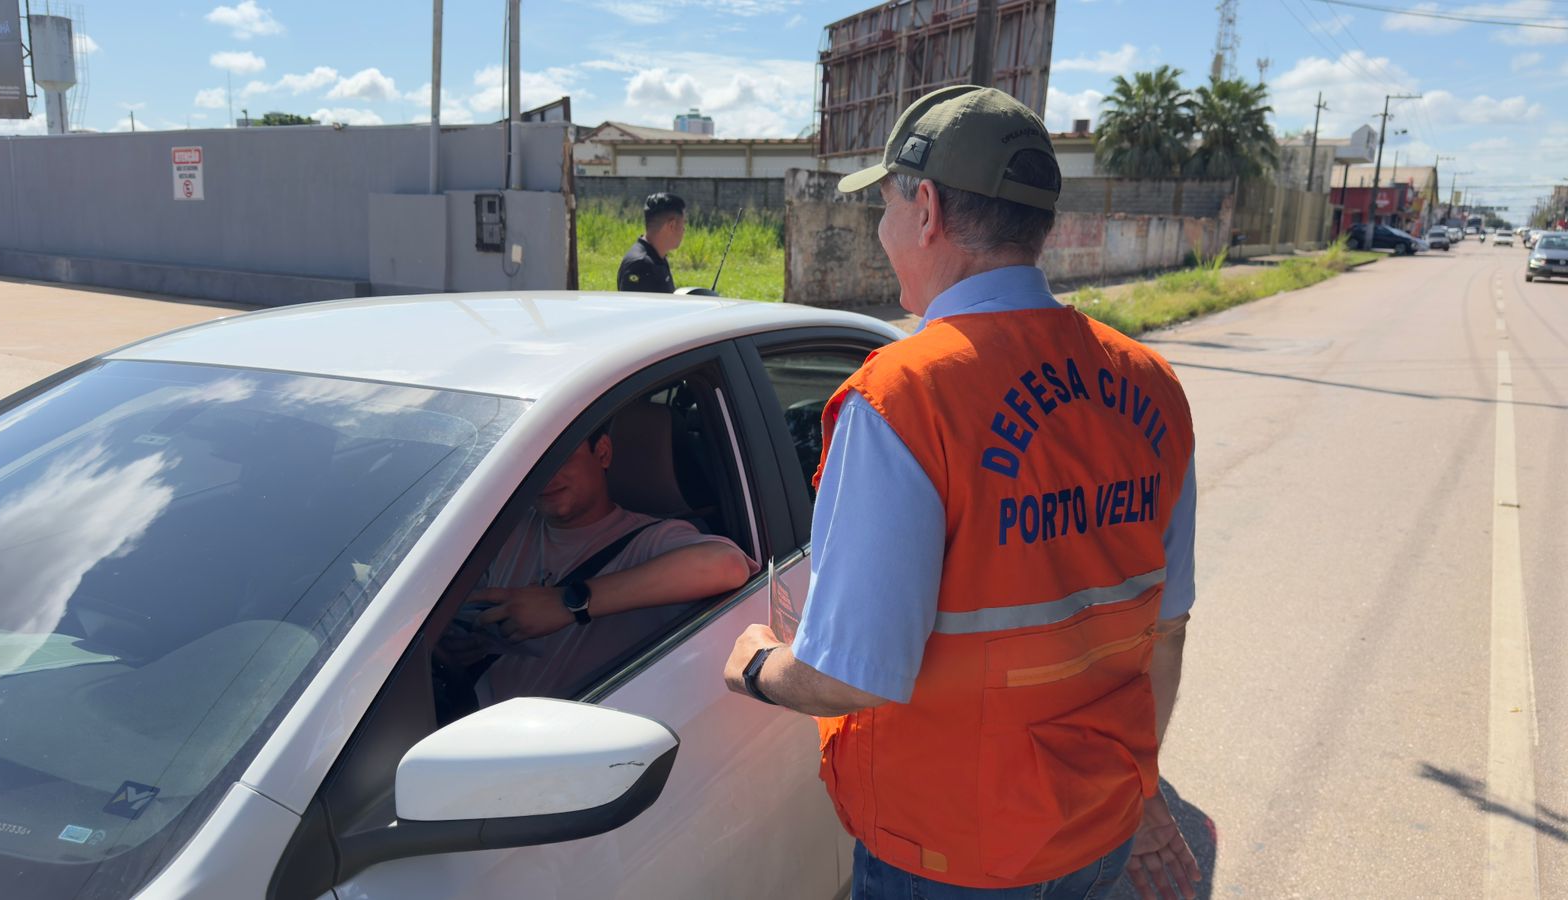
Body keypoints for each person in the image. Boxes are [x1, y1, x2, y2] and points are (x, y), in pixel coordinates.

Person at [722, 85, 1202, 900]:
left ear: (927, 209)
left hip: (951, 852)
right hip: (1095, 830)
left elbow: (853, 677)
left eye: (883, 207)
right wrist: (1140, 794)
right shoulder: (1151, 385)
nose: (880, 234)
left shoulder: (905, 396)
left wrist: (760, 666)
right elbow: (1166, 635)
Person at [444, 419, 752, 707]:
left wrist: (568, 604)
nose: (547, 476)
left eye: (562, 457)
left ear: (602, 453)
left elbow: (725, 565)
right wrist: (457, 647)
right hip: (470, 715)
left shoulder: (651, 540)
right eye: (535, 463)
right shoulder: (504, 531)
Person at [617, 192, 686, 293]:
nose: (684, 230)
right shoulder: (640, 265)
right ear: (671, 226)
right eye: (684, 223)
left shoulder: (656, 257)